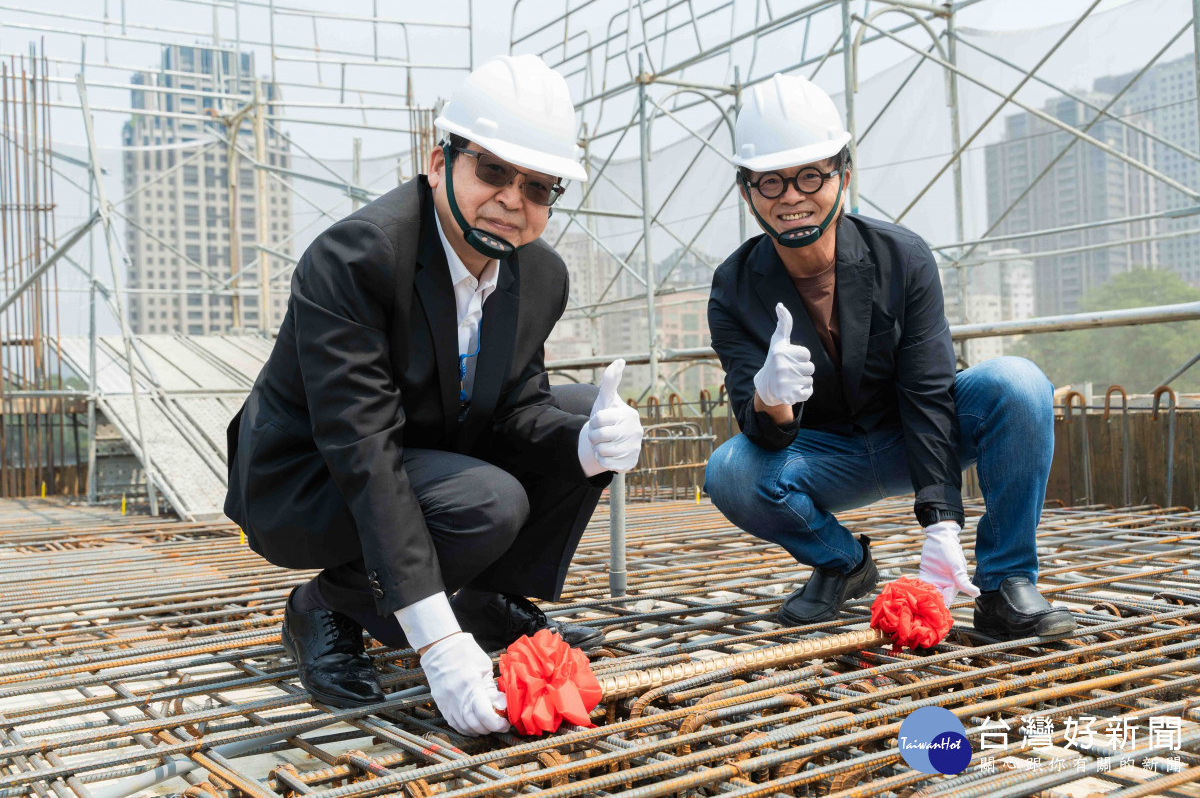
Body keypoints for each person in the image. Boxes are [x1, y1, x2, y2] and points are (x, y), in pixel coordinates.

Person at [223, 54, 644, 737]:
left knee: (574, 418)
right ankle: (326, 604)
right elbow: (365, 455)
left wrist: (586, 445)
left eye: (537, 186)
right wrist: (438, 646)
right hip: (309, 479)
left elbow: (517, 407)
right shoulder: (358, 257)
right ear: (438, 159)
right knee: (488, 501)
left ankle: (482, 593)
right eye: (492, 170)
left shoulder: (538, 276)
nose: (512, 198)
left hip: (421, 456)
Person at [703, 73, 1075, 641]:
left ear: (843, 176)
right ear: (746, 192)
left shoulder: (900, 257)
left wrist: (941, 522)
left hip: (911, 433)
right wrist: (769, 397)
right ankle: (843, 562)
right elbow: (763, 435)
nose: (792, 197)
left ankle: (1004, 583)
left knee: (1018, 383)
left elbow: (928, 390)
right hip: (823, 452)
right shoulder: (733, 287)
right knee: (728, 470)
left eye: (809, 176)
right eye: (770, 183)